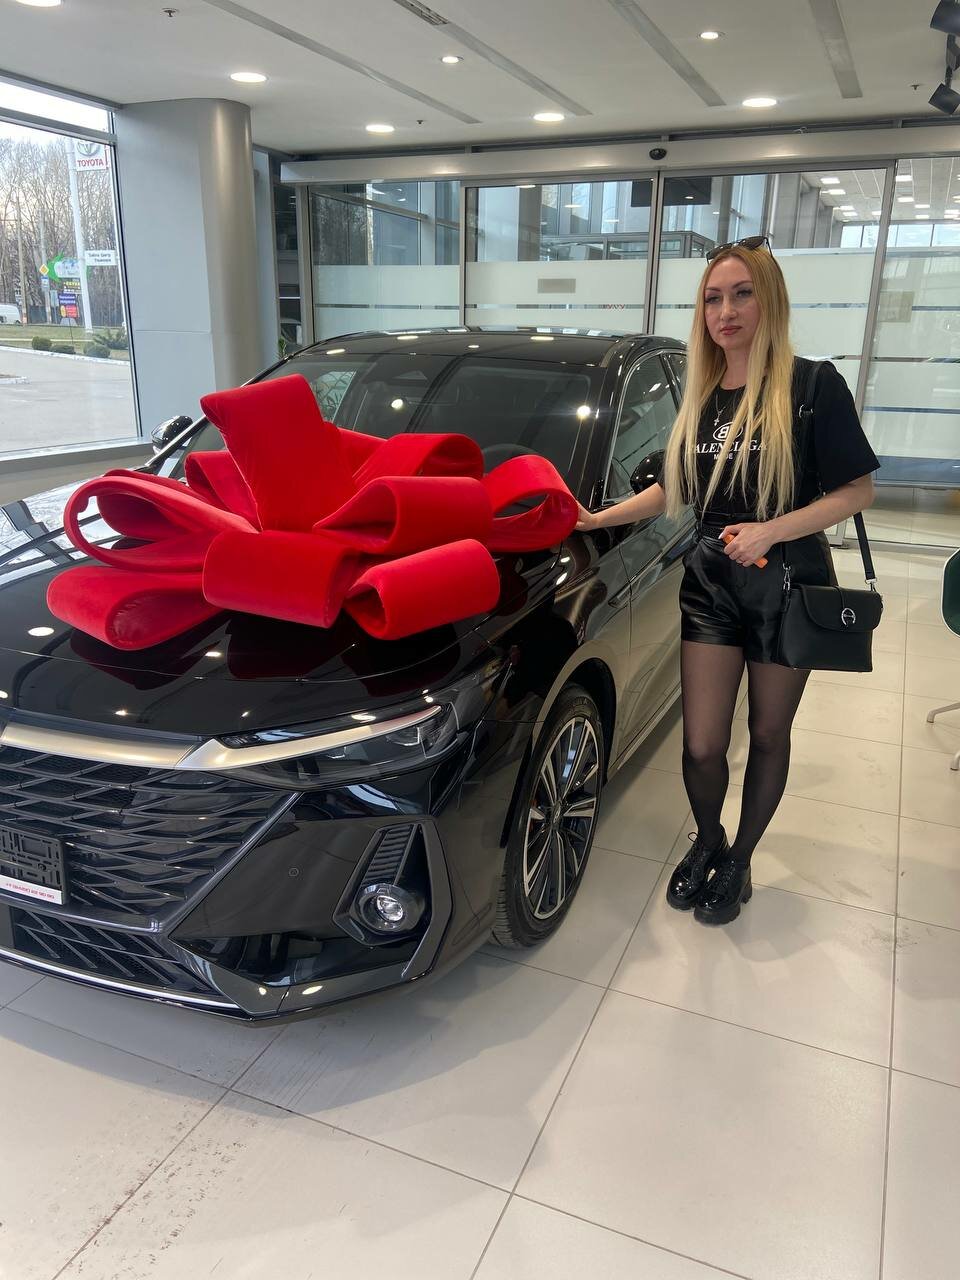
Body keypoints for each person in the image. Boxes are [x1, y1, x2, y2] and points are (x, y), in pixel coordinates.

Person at [575, 236, 879, 925]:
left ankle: (739, 857)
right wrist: (596, 519)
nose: (726, 311)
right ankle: (708, 838)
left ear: (769, 302)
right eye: (713, 298)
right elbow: (674, 487)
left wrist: (773, 529)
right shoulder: (703, 396)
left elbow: (857, 490)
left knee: (768, 734)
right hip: (712, 585)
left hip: (789, 584)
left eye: (742, 294)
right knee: (703, 743)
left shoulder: (812, 386)